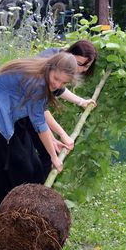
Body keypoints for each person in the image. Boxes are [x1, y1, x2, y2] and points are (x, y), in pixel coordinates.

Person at [0, 52, 77, 230]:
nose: (58, 85)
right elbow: (39, 123)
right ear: (51, 68)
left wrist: (53, 141)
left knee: (1, 168)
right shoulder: (37, 82)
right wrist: (53, 156)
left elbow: (40, 117)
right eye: (56, 79)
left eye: (64, 83)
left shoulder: (43, 72)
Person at [29, 39, 98, 179]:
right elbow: (40, 112)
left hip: (28, 112)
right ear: (69, 54)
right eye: (79, 64)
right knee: (32, 157)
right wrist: (62, 135)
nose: (80, 70)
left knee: (45, 153)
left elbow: (58, 90)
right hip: (17, 113)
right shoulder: (50, 63)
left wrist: (81, 101)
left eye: (86, 67)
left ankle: (39, 191)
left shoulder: (59, 66)